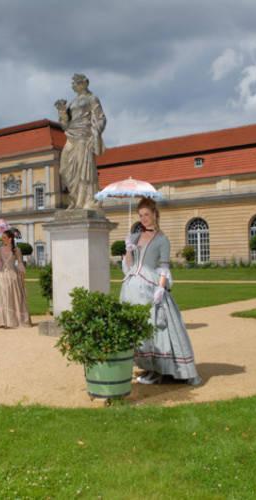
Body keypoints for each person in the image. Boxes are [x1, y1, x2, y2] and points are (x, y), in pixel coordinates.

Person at [120, 197, 201, 385]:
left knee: (155, 328)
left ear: (155, 215)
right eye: (140, 215)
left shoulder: (162, 240)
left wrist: (161, 288)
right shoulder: (133, 237)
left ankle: (159, 370)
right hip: (132, 289)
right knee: (138, 328)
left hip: (150, 287)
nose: (143, 218)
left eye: (147, 214)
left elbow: (164, 267)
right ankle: (147, 368)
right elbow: (129, 267)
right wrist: (129, 250)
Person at [54, 73, 107, 210]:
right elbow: (65, 126)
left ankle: (83, 201)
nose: (72, 85)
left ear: (84, 83)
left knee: (84, 171)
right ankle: (74, 197)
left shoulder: (92, 98)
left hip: (84, 137)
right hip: (71, 136)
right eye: (72, 83)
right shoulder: (72, 102)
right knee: (64, 169)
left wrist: (95, 134)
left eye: (75, 82)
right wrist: (62, 113)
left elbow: (101, 118)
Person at [0, 230, 31, 328]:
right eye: (2, 237)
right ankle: (2, 321)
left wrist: (22, 274)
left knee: (11, 297)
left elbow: (20, 263)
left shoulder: (16, 250)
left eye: (4, 237)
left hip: (12, 276)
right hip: (1, 276)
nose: (2, 239)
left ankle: (13, 321)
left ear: (10, 239)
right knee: (1, 298)